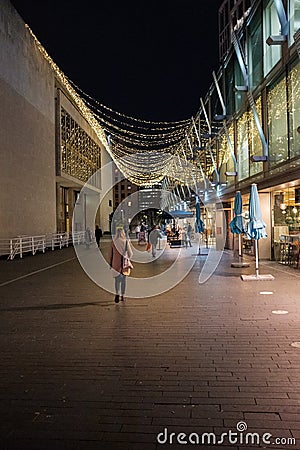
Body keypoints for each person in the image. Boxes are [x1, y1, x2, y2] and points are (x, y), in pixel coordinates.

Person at [109, 227, 133, 303]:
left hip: (115, 263)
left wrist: (110, 263)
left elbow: (110, 254)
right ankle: (122, 295)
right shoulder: (125, 241)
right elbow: (130, 253)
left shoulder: (113, 242)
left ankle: (117, 294)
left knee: (116, 280)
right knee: (123, 280)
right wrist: (127, 257)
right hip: (124, 264)